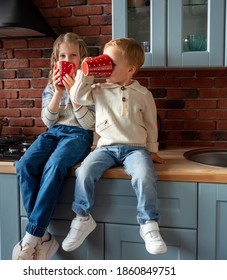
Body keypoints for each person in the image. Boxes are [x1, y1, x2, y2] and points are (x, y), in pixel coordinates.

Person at [62, 38, 167, 255]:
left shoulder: (143, 94)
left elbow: (151, 123)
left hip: (135, 148)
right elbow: (77, 96)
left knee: (145, 175)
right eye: (104, 60)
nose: (106, 65)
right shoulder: (98, 89)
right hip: (104, 148)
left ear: (130, 69)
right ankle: (82, 218)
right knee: (84, 172)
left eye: (111, 62)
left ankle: (148, 223)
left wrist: (153, 149)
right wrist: (87, 70)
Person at [12, 33, 95, 260]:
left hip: (78, 135)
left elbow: (90, 124)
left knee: (55, 164)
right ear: (56, 59)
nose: (68, 59)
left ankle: (31, 236)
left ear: (81, 58)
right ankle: (44, 236)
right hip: (54, 132)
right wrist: (58, 91)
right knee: (24, 164)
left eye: (73, 55)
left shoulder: (89, 83)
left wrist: (73, 94)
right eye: (63, 55)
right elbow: (48, 121)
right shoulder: (52, 83)